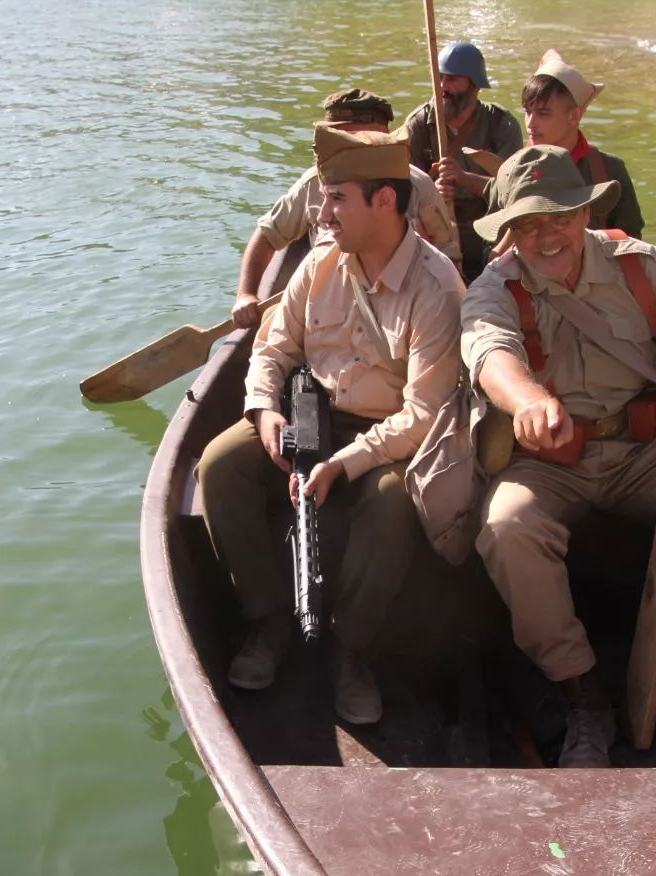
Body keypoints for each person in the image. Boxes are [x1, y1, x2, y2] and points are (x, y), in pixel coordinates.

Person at [459, 146, 656, 768]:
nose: (546, 236)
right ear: (509, 233)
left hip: (649, 447)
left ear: (584, 213)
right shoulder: (495, 288)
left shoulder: (642, 267)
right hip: (551, 459)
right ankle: (582, 697)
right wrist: (529, 400)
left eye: (559, 218)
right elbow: (490, 355)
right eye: (528, 224)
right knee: (507, 527)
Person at [197, 124, 465, 725]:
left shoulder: (436, 287)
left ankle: (353, 648)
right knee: (219, 464)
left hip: (388, 435)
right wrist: (265, 410)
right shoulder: (319, 267)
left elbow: (425, 414)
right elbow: (273, 349)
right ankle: (268, 621)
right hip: (309, 418)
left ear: (385, 200)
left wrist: (344, 464)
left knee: (395, 501)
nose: (323, 212)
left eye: (337, 197)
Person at [230, 89, 459, 329]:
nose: (330, 146)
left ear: (379, 134)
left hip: (397, 317)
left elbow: (449, 266)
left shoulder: (419, 188)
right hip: (327, 314)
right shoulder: (312, 183)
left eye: (343, 136)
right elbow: (267, 234)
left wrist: (420, 254)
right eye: (329, 136)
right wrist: (245, 294)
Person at [403, 41, 524, 281]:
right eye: (439, 78)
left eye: (453, 79)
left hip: (491, 235)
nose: (442, 87)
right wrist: (432, 192)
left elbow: (515, 192)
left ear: (475, 85)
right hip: (436, 236)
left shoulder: (501, 125)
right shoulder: (418, 125)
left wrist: (464, 178)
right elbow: (403, 194)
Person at [518, 49, 644, 237]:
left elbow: (631, 240)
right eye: (528, 111)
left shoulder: (608, 170)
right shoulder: (515, 168)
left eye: (543, 114)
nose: (530, 123)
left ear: (574, 116)